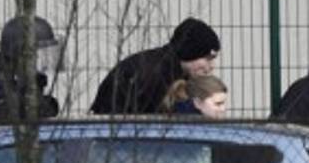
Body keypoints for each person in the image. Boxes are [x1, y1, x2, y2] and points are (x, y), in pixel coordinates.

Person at [90, 17, 220, 115]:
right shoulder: (155, 76)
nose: (212, 66)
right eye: (207, 58)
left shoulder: (171, 72)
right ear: (191, 52)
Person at [161, 74, 229, 118]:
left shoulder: (179, 116)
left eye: (223, 103)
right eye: (218, 104)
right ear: (198, 103)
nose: (223, 109)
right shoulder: (190, 125)